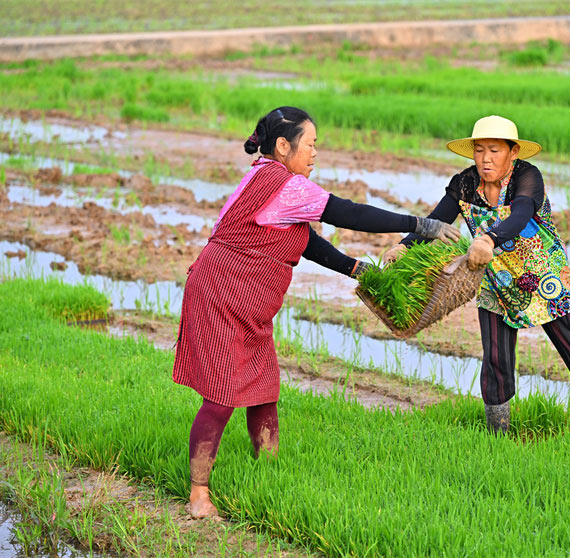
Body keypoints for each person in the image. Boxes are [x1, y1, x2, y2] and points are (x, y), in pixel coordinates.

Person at [173, 106, 461, 518]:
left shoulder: (265, 177)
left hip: (245, 299)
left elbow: (302, 239)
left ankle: (269, 475)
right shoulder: (283, 183)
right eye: (309, 145)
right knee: (222, 393)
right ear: (283, 145)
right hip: (222, 294)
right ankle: (198, 494)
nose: (314, 154)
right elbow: (350, 212)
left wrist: (353, 267)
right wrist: (421, 224)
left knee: (262, 388)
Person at [383, 115, 570, 433]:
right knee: (496, 358)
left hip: (544, 277)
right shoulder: (464, 184)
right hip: (495, 280)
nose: (485, 158)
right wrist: (404, 247)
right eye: (479, 150)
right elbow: (437, 220)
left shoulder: (528, 178)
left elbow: (521, 214)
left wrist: (489, 239)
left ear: (513, 153)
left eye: (494, 150)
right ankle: (499, 435)